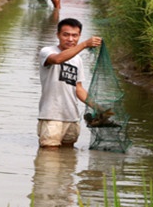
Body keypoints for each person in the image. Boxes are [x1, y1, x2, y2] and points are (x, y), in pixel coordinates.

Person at [37, 18, 108, 148]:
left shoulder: (77, 60)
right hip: (51, 116)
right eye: (66, 35)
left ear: (79, 36)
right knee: (48, 157)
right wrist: (84, 44)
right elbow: (58, 59)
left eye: (74, 35)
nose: (70, 39)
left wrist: (99, 109)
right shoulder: (47, 51)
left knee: (68, 157)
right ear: (58, 35)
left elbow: (79, 89)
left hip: (72, 117)